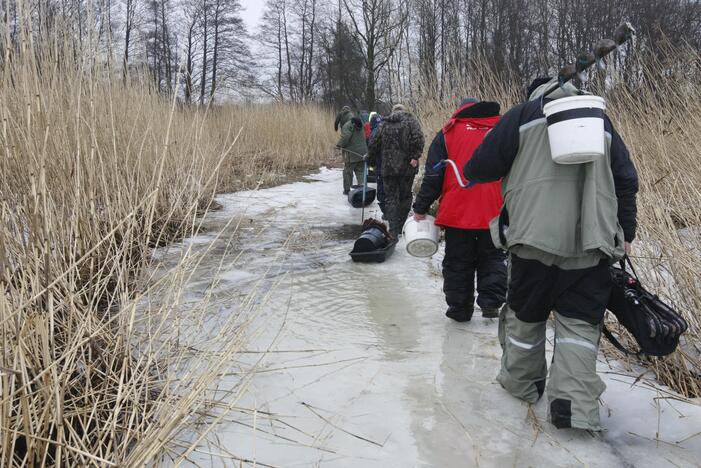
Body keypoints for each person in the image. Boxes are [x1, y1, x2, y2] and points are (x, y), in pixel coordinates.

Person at [464, 77, 639, 431]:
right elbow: (626, 179)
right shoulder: (599, 120)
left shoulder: (521, 116)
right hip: (591, 245)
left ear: (533, 92)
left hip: (532, 242)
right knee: (578, 325)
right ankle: (571, 408)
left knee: (525, 319)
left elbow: (478, 167)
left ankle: (521, 385)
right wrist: (627, 232)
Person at [413, 98, 506, 322]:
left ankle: (460, 309)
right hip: (494, 209)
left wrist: (420, 207)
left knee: (457, 262)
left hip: (457, 211)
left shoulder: (448, 132)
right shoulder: (503, 129)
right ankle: (491, 303)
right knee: (493, 257)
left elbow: (434, 176)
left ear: (460, 111)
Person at [368, 104, 424, 237]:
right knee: (405, 196)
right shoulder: (411, 122)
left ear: (393, 112)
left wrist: (370, 161)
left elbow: (373, 144)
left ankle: (393, 230)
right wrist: (415, 156)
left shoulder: (384, 124)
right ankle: (400, 225)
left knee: (391, 198)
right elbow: (419, 139)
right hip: (407, 168)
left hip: (388, 168)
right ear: (404, 111)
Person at [337, 115, 368, 195]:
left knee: (348, 171)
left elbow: (345, 137)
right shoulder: (360, 123)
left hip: (351, 154)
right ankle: (363, 188)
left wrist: (339, 145)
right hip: (363, 152)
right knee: (360, 170)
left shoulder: (347, 125)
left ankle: (347, 190)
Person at [368, 112, 386, 214]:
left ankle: (386, 213)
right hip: (393, 165)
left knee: (382, 189)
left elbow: (372, 149)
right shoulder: (388, 128)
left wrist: (370, 161)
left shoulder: (375, 132)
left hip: (381, 165)